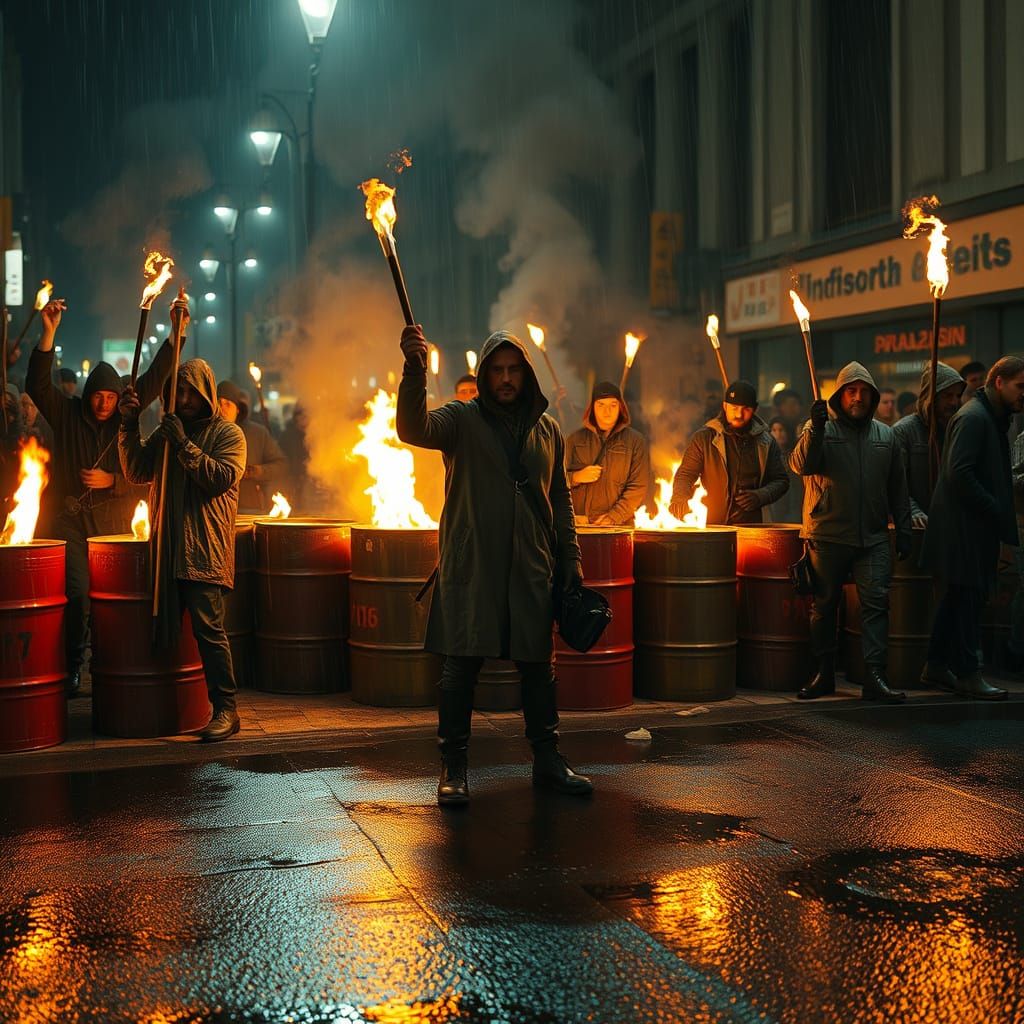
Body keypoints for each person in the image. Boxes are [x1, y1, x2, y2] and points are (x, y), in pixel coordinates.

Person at [396, 323, 590, 806]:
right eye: (497, 370)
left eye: (513, 369)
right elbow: (412, 429)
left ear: (526, 374)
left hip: (531, 564)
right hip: (474, 564)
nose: (505, 378)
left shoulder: (547, 430)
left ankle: (548, 760)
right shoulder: (460, 419)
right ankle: (453, 765)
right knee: (460, 667)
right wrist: (414, 371)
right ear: (484, 375)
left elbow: (560, 498)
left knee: (538, 666)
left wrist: (570, 555)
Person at [26, 299, 175, 696]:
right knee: (78, 595)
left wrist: (175, 335)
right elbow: (37, 386)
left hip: (113, 525)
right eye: (98, 396)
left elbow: (155, 377)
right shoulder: (67, 414)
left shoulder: (127, 415)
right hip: (72, 523)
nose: (104, 404)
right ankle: (74, 664)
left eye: (111, 397)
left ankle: (112, 662)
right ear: (88, 394)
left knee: (113, 600)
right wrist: (48, 332)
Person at [118, 353, 246, 741]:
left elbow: (219, 478)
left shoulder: (228, 435)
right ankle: (167, 709)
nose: (185, 399)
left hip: (204, 549)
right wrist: (128, 424)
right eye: (179, 391)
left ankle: (226, 709)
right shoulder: (168, 431)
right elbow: (136, 470)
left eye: (192, 392)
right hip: (166, 550)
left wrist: (183, 444)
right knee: (162, 630)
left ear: (206, 394)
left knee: (209, 631)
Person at [789, 362, 912, 703]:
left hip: (873, 537)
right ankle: (823, 673)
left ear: (872, 397)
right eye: (851, 391)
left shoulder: (886, 436)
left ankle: (875, 676)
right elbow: (801, 465)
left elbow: (898, 487)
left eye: (864, 392)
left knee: (876, 605)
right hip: (827, 534)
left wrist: (904, 529)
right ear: (839, 396)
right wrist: (815, 429)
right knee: (824, 606)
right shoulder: (820, 429)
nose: (858, 397)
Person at [922, 356, 1024, 700]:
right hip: (963, 530)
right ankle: (968, 672)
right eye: (1020, 386)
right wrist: (993, 507)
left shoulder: (989, 417)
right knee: (967, 600)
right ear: (999, 382)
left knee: (956, 600)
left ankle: (936, 665)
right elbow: (958, 473)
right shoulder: (975, 418)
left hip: (969, 528)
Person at [670, 380, 788, 525]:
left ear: (755, 409)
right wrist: (679, 498)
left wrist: (761, 496)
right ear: (725, 406)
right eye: (734, 407)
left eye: (746, 409)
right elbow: (686, 474)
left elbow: (781, 480)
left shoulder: (766, 442)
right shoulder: (705, 438)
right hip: (713, 525)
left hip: (752, 526)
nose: (739, 414)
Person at [565, 381, 649, 526]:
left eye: (613, 405)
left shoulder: (635, 442)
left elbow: (637, 486)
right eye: (601, 405)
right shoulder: (574, 440)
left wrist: (614, 517)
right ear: (592, 408)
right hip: (581, 526)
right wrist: (576, 477)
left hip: (619, 527)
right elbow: (554, 481)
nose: (607, 411)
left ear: (621, 407)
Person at [892, 362, 965, 528]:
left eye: (958, 395)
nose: (954, 402)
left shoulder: (956, 430)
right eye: (947, 395)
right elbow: (896, 483)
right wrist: (913, 511)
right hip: (919, 527)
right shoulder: (903, 431)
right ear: (931, 395)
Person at [217, 380, 287, 515]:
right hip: (216, 510)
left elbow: (281, 465)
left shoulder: (257, 434)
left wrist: (258, 471)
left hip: (249, 508)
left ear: (238, 409)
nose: (222, 409)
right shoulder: (206, 433)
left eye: (228, 404)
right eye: (218, 403)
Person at [764, 416, 803, 524]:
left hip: (794, 498)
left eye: (781, 430)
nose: (778, 434)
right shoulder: (767, 455)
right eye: (774, 430)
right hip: (775, 501)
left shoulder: (795, 454)